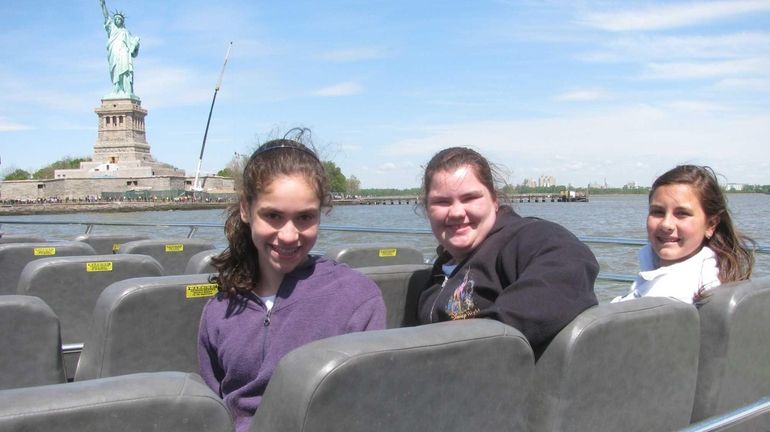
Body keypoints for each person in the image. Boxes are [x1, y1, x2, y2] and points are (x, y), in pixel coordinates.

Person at [197, 130, 386, 432]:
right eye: (272, 216)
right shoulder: (219, 309)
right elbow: (215, 406)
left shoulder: (358, 298)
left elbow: (368, 406)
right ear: (246, 209)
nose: (288, 235)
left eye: (305, 218)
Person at [416, 147, 599, 358]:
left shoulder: (523, 238)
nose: (457, 212)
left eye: (470, 198)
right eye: (442, 202)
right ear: (427, 208)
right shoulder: (441, 269)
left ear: (494, 200)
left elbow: (572, 261)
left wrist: (487, 336)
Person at [613, 165, 754, 304]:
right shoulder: (655, 271)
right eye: (657, 212)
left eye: (682, 214)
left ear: (711, 225)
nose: (666, 224)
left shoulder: (678, 295)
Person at [99, 0, 140, 96]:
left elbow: (132, 44)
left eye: (120, 19)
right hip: (114, 52)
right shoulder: (112, 28)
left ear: (122, 21)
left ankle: (127, 90)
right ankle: (116, 88)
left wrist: (136, 42)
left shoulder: (125, 32)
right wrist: (103, 5)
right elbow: (106, 16)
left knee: (126, 70)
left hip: (124, 52)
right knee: (115, 69)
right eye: (116, 19)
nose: (118, 20)